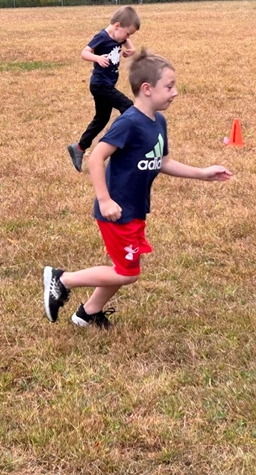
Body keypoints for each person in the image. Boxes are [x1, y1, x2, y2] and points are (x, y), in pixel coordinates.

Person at [45, 48, 233, 329]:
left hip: (134, 208)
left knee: (123, 268)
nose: (175, 92)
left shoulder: (158, 122)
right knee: (128, 272)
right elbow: (96, 157)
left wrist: (202, 174)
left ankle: (87, 313)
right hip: (116, 211)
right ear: (147, 89)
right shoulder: (129, 122)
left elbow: (163, 161)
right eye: (169, 86)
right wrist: (105, 199)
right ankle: (61, 280)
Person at [66, 6, 139, 172]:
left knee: (101, 119)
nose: (127, 38)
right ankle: (120, 145)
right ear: (117, 25)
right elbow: (84, 52)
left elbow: (125, 40)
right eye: (128, 33)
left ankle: (78, 148)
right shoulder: (102, 37)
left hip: (106, 85)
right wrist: (97, 58)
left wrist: (131, 48)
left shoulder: (119, 35)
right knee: (128, 107)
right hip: (100, 85)